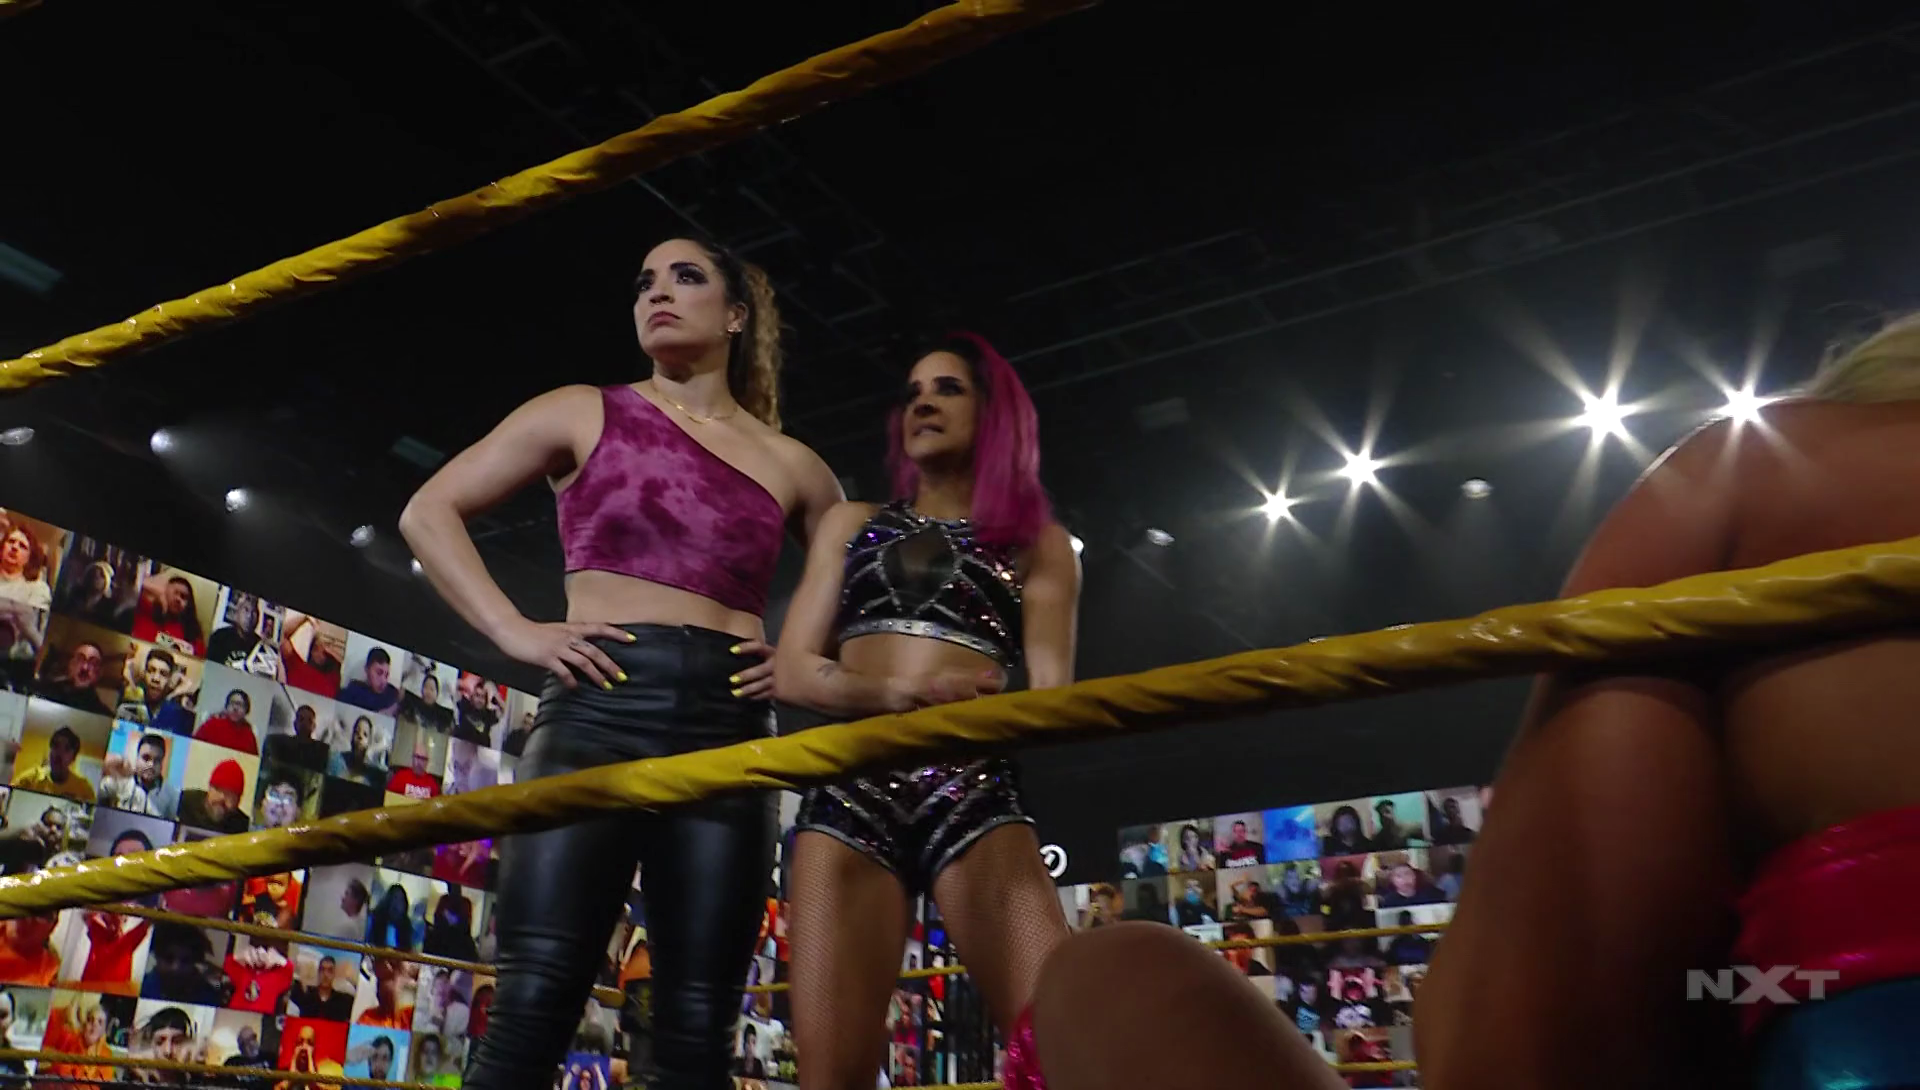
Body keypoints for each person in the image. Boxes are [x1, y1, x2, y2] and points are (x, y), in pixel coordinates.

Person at [1416, 313, 1920, 1090]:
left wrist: (1729, 986)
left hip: (1855, 1038)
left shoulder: (1756, 469)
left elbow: (1527, 1042)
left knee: (1170, 983)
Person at [399, 235, 841, 1090]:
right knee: (532, 1006)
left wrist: (802, 662)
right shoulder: (580, 410)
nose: (657, 294)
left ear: (737, 315)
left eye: (685, 277)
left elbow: (858, 585)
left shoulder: (796, 465)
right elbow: (428, 510)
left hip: (731, 722)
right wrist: (515, 631)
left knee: (698, 1031)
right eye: (643, 283)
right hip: (597, 705)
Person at [773, 332, 1081, 1090]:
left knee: (1063, 1043)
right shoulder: (851, 524)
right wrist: (895, 696)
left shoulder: (1038, 545)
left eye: (947, 389)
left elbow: (1053, 699)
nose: (923, 403)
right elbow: (792, 668)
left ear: (993, 413)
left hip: (971, 787)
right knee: (829, 1077)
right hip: (850, 787)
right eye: (913, 392)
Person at [16, 726, 95, 802]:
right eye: (56, 746)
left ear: (73, 758)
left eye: (67, 749)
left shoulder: (84, 789)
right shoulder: (29, 780)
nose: (59, 753)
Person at [177, 759, 250, 834]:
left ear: (238, 801)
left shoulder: (244, 828)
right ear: (209, 788)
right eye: (218, 789)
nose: (221, 798)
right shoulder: (184, 802)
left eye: (230, 795)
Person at [194, 689, 261, 755]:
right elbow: (194, 747)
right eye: (232, 703)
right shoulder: (211, 725)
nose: (235, 708)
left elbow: (253, 760)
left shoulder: (249, 736)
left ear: (246, 710)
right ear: (226, 706)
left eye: (240, 705)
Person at [0, 526, 51, 611]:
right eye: (11, 541)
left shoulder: (36, 589)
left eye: (22, 546)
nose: (14, 547)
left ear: (29, 558)